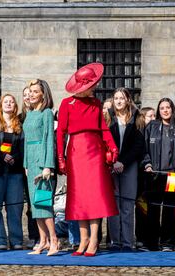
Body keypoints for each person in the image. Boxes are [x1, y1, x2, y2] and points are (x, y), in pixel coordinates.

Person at [57, 63, 119, 257]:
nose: (95, 86)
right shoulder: (67, 104)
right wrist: (61, 158)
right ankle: (82, 240)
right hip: (75, 153)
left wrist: (113, 146)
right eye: (92, 84)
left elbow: (103, 129)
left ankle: (93, 240)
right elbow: (60, 132)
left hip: (95, 152)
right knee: (79, 198)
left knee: (96, 198)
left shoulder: (96, 104)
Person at [142, 98, 175, 251]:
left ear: (172, 109)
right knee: (153, 209)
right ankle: (152, 242)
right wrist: (147, 163)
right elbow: (144, 149)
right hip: (154, 174)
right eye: (162, 108)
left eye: (167, 107)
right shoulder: (151, 127)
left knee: (169, 209)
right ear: (158, 110)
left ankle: (168, 243)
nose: (165, 110)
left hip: (172, 176)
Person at [105, 87, 144, 252]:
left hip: (129, 166)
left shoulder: (137, 118)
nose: (119, 101)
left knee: (127, 205)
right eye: (116, 98)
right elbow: (103, 141)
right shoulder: (107, 118)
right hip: (111, 166)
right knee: (113, 205)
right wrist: (112, 161)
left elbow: (138, 146)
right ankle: (115, 241)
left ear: (128, 100)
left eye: (122, 98)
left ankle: (128, 242)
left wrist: (123, 162)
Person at [23, 79, 59, 256]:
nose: (31, 94)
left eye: (35, 91)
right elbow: (26, 142)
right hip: (30, 162)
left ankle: (54, 239)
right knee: (34, 206)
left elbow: (49, 141)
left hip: (42, 161)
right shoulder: (29, 114)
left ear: (43, 94)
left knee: (43, 203)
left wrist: (47, 166)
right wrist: (25, 164)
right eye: (30, 91)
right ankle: (42, 240)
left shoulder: (47, 113)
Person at [0, 94, 24, 250]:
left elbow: (23, 147)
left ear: (15, 106)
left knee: (15, 207)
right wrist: (2, 156)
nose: (9, 103)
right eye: (6, 102)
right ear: (0, 105)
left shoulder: (19, 126)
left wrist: (14, 157)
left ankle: (16, 240)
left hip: (14, 171)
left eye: (12, 101)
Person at [18, 86, 40, 249]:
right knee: (29, 204)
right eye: (24, 95)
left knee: (39, 200)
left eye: (30, 94)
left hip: (35, 163)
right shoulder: (19, 118)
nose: (27, 97)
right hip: (21, 165)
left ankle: (42, 236)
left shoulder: (40, 114)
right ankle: (33, 235)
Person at [135, 106, 155, 251]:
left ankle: (150, 238)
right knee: (141, 209)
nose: (154, 119)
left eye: (155, 116)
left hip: (152, 176)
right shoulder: (139, 132)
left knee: (150, 209)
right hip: (140, 176)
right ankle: (141, 238)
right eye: (150, 116)